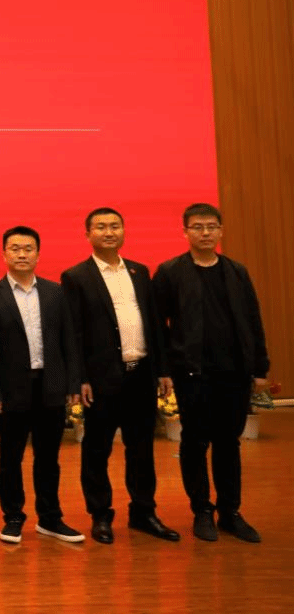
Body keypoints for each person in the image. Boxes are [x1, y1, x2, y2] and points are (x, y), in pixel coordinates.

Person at [60, 207, 180, 544]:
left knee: (141, 448)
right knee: (97, 450)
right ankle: (100, 515)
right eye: (101, 227)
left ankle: (143, 512)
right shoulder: (76, 276)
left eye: (115, 226)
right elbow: (73, 332)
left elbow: (154, 323)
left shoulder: (140, 272)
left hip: (140, 375)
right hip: (100, 380)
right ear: (88, 234)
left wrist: (162, 369)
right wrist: (80, 378)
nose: (109, 232)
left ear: (124, 231)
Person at [153, 203, 269, 543]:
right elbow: (158, 326)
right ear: (185, 232)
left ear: (220, 231)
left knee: (228, 443)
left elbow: (253, 320)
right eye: (198, 227)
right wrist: (163, 369)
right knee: (195, 440)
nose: (205, 233)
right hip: (192, 373)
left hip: (234, 373)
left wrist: (259, 367)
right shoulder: (170, 272)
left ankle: (230, 512)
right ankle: (202, 510)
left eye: (211, 227)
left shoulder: (236, 271)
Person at [0, 226, 84, 545]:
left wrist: (72, 383)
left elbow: (69, 341)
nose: (22, 254)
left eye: (28, 248)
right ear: (4, 254)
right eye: (15, 248)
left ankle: (50, 518)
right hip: (11, 390)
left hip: (51, 386)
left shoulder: (55, 293)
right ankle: (13, 518)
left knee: (48, 458)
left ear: (38, 254)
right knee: (10, 458)